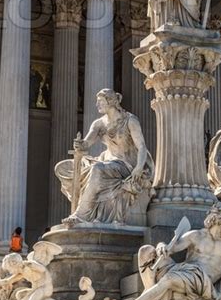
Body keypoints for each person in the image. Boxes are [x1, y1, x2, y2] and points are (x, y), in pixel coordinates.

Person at [109, 203, 221, 300]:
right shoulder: (196, 235)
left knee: (169, 279)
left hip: (201, 280)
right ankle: (151, 298)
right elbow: (172, 249)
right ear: (220, 217)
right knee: (146, 251)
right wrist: (161, 245)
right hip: (186, 270)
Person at [55, 88, 153, 224]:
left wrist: (139, 167)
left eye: (100, 101)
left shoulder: (130, 120)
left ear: (111, 102)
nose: (97, 105)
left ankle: (81, 215)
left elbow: (142, 146)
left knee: (97, 169)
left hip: (126, 165)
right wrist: (80, 144)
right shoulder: (99, 124)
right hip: (108, 162)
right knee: (63, 168)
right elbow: (87, 143)